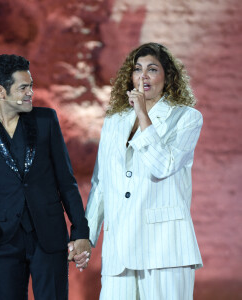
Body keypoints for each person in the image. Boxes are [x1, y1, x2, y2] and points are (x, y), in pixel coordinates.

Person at [0, 54, 91, 300]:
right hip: (1, 240)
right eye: (24, 87)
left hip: (49, 236)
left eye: (31, 85)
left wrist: (80, 232)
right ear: (0, 90)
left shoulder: (46, 120)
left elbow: (66, 181)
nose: (31, 92)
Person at [84, 43, 203, 299]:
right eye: (138, 69)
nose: (143, 76)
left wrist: (142, 113)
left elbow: (163, 166)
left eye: (152, 69)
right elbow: (102, 183)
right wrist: (87, 236)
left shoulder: (186, 118)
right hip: (119, 249)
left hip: (164, 248)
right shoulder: (114, 121)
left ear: (167, 76)